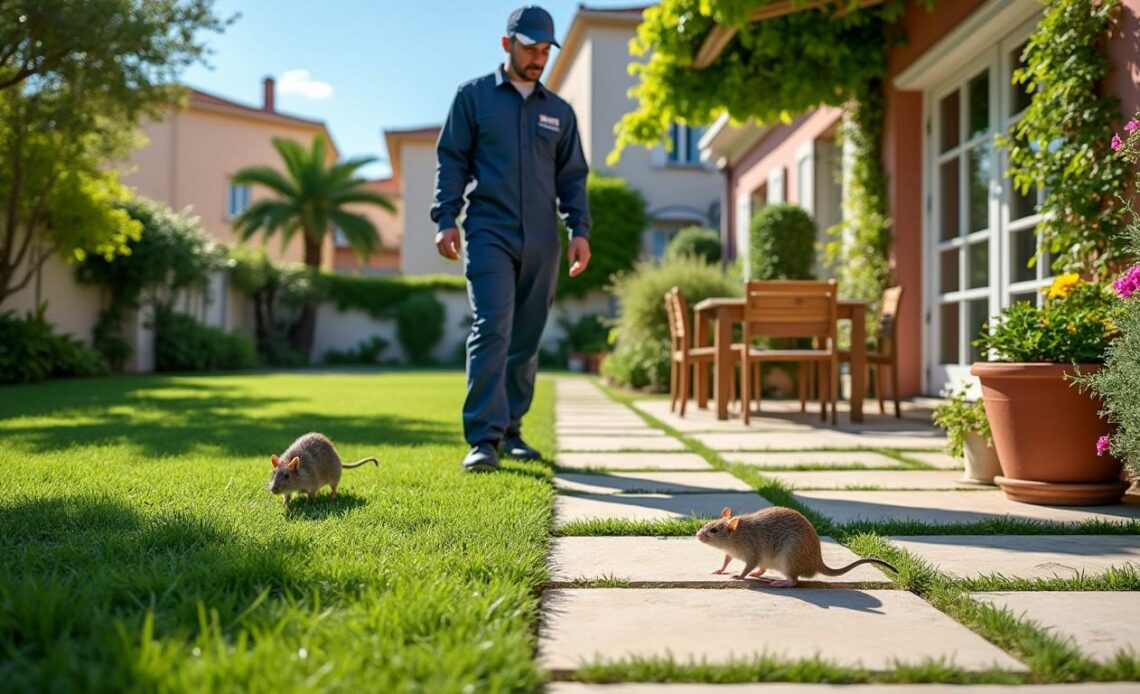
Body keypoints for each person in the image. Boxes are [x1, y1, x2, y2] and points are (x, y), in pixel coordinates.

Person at [432, 5, 592, 472]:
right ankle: (483, 438)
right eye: (531, 48)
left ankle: (513, 430)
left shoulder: (559, 113)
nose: (539, 58)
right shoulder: (474, 98)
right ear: (507, 45)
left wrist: (579, 230)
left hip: (543, 239)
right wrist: (445, 218)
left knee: (526, 338)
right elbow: (452, 162)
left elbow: (573, 178)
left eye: (545, 50)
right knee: (492, 327)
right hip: (488, 232)